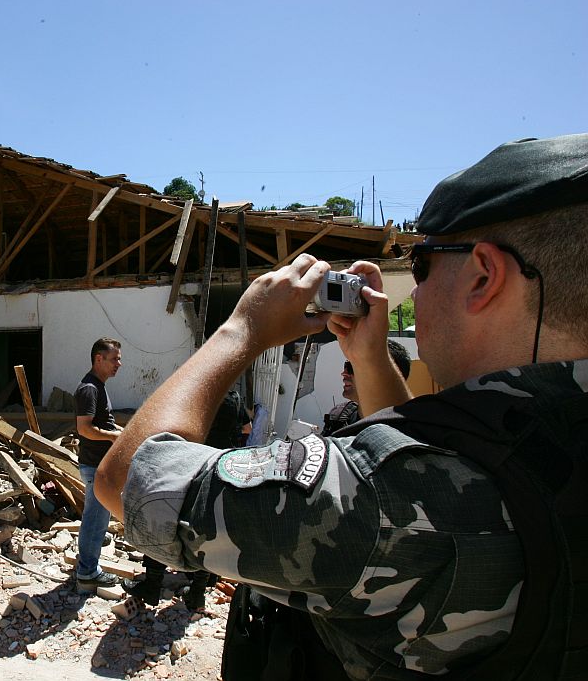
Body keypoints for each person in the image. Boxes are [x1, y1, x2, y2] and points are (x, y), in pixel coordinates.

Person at [94, 134, 588, 679]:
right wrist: (370, 357)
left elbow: (128, 480)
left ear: (484, 276)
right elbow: (419, 447)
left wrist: (242, 329)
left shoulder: (379, 502)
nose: (414, 294)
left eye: (421, 265)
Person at [124, 391, 247, 609]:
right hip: (220, 469)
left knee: (163, 520)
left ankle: (152, 585)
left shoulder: (198, 394)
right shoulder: (235, 398)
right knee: (206, 532)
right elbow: (247, 429)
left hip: (192, 465)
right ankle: (197, 593)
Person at [72, 337, 124, 593]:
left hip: (100, 466)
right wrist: (113, 437)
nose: (119, 364)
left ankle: (87, 561)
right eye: (114, 359)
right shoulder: (89, 389)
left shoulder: (98, 386)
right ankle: (87, 573)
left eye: (119, 359)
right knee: (94, 519)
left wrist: (120, 432)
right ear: (98, 359)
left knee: (97, 518)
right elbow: (84, 429)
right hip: (95, 466)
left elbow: (103, 423)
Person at [321, 339, 411, 435]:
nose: (344, 373)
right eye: (346, 365)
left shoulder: (409, 432)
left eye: (353, 367)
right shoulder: (338, 417)